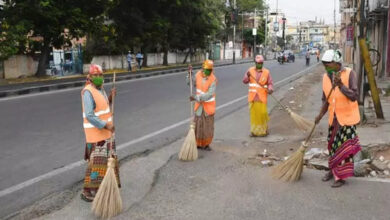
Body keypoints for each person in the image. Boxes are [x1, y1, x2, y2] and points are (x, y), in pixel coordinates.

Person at [315, 50, 361, 188]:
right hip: (333, 119)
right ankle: (332, 170)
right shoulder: (325, 77)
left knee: (343, 149)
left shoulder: (349, 74)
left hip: (347, 119)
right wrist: (320, 115)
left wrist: (341, 86)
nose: (326, 68)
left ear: (337, 63)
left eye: (328, 65)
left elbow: (354, 96)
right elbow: (326, 100)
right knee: (332, 146)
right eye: (325, 65)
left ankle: (340, 177)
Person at [80, 64, 120, 202]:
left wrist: (110, 97)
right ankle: (91, 191)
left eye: (100, 75)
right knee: (96, 164)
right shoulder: (87, 92)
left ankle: (94, 189)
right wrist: (105, 125)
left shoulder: (101, 89)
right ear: (90, 77)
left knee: (103, 163)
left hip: (106, 133)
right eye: (95, 75)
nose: (98, 77)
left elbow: (103, 106)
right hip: (96, 134)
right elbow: (90, 115)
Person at [188, 60, 217, 151]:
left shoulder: (213, 79)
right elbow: (190, 83)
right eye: (206, 69)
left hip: (208, 108)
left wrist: (196, 98)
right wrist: (189, 74)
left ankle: (206, 144)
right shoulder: (197, 75)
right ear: (202, 68)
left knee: (207, 127)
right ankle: (198, 143)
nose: (207, 71)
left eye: (209, 70)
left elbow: (209, 94)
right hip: (199, 107)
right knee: (198, 126)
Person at [243, 55, 274, 137]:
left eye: (261, 63)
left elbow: (270, 83)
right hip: (253, 98)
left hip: (262, 98)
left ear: (263, 63)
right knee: (254, 116)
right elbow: (245, 81)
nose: (259, 64)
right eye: (258, 63)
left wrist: (270, 89)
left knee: (262, 115)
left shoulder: (266, 72)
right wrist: (247, 75)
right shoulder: (250, 71)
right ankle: (254, 132)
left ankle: (264, 131)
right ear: (255, 63)